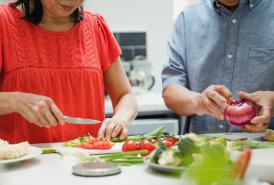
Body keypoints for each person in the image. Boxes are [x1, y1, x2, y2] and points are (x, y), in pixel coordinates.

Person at [0, 0, 138, 143]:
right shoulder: (3, 21)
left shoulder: (95, 26)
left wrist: (119, 120)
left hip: (86, 161)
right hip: (22, 163)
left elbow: (125, 96)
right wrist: (17, 101)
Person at [162, 0, 274, 134]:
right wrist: (198, 101)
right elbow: (171, 91)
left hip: (265, 150)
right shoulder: (188, 19)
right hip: (202, 149)